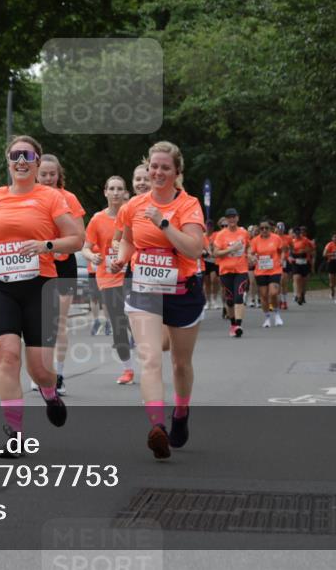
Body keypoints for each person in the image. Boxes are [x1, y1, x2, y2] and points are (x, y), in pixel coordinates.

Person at [0, 135, 82, 459]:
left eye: (27, 155)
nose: (20, 161)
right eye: (14, 155)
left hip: (39, 285)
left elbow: (76, 238)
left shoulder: (50, 198)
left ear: (37, 161)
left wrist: (47, 246)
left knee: (39, 369)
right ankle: (15, 434)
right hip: (1, 286)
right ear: (8, 161)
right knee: (8, 355)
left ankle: (50, 392)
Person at [108, 141, 205, 460]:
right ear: (147, 168)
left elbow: (193, 249)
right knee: (149, 358)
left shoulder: (189, 205)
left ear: (177, 172)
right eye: (153, 166)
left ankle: (181, 412)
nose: (158, 172)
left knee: (180, 362)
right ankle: (157, 428)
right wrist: (120, 261)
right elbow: (128, 242)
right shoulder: (133, 206)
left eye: (165, 167)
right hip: (144, 290)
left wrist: (162, 222)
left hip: (183, 291)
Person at [37, 153, 86, 396]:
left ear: (59, 175)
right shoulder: (29, 198)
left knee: (58, 322)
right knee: (38, 321)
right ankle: (40, 372)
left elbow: (80, 234)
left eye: (52, 174)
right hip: (35, 265)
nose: (47, 178)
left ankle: (59, 374)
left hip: (63, 264)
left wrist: (57, 245)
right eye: (43, 174)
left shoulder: (69, 199)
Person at [83, 175, 134, 385]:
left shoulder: (133, 215)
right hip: (109, 278)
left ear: (124, 193)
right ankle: (128, 369)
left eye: (119, 189)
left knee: (138, 321)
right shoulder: (97, 219)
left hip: (132, 275)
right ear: (105, 192)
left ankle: (151, 365)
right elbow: (85, 247)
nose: (115, 192)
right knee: (118, 324)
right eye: (111, 188)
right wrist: (92, 256)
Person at [212, 208, 251, 338]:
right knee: (230, 300)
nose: (232, 219)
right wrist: (231, 249)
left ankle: (239, 325)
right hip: (226, 271)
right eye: (229, 217)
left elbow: (249, 247)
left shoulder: (244, 233)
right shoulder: (221, 235)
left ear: (238, 218)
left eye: (234, 217)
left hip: (241, 270)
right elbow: (216, 253)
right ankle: (233, 324)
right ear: (226, 219)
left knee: (239, 297)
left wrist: (250, 255)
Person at [249, 219, 287, 328]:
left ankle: (277, 314)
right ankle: (267, 318)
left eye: (266, 228)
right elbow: (251, 253)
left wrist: (282, 259)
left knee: (273, 293)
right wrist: (252, 257)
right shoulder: (255, 241)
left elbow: (282, 250)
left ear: (270, 229)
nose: (264, 230)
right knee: (264, 296)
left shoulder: (276, 238)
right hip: (261, 271)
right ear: (259, 230)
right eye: (262, 228)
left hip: (274, 269)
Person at [290, 226, 315, 305]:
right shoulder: (292, 241)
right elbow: (288, 251)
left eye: (298, 233)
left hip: (305, 261)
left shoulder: (306, 240)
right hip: (296, 262)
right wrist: (291, 257)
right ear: (294, 234)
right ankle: (298, 295)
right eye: (295, 233)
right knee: (297, 278)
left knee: (304, 281)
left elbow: (312, 249)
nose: (297, 235)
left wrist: (305, 250)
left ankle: (303, 294)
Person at [202, 221, 221, 310]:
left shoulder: (216, 235)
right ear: (205, 226)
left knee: (214, 280)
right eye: (208, 226)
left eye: (211, 226)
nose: (210, 227)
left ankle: (214, 299)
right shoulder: (202, 236)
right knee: (207, 282)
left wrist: (212, 246)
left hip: (214, 261)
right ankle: (208, 301)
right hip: (205, 261)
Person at [275, 222, 293, 310]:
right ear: (276, 229)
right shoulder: (273, 237)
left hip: (285, 261)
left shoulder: (288, 238)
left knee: (283, 281)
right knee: (277, 282)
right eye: (279, 228)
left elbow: (292, 248)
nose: (280, 230)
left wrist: (290, 255)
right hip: (275, 262)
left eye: (282, 229)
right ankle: (279, 300)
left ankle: (284, 301)